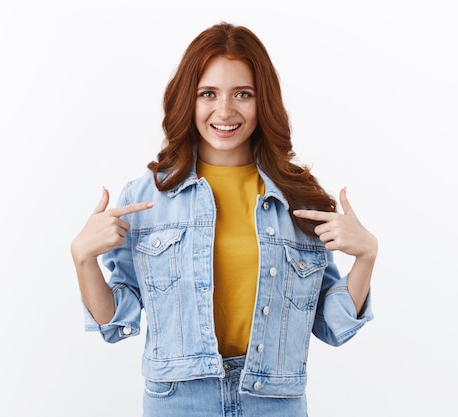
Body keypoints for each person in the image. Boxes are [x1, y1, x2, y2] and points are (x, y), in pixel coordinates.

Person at [71, 22, 377, 417]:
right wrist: (83, 259)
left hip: (274, 402)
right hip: (180, 401)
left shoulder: (297, 198)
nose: (225, 110)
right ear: (188, 100)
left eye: (243, 94)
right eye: (208, 94)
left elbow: (332, 325)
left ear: (262, 101)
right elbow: (116, 322)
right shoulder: (146, 198)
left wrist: (366, 257)